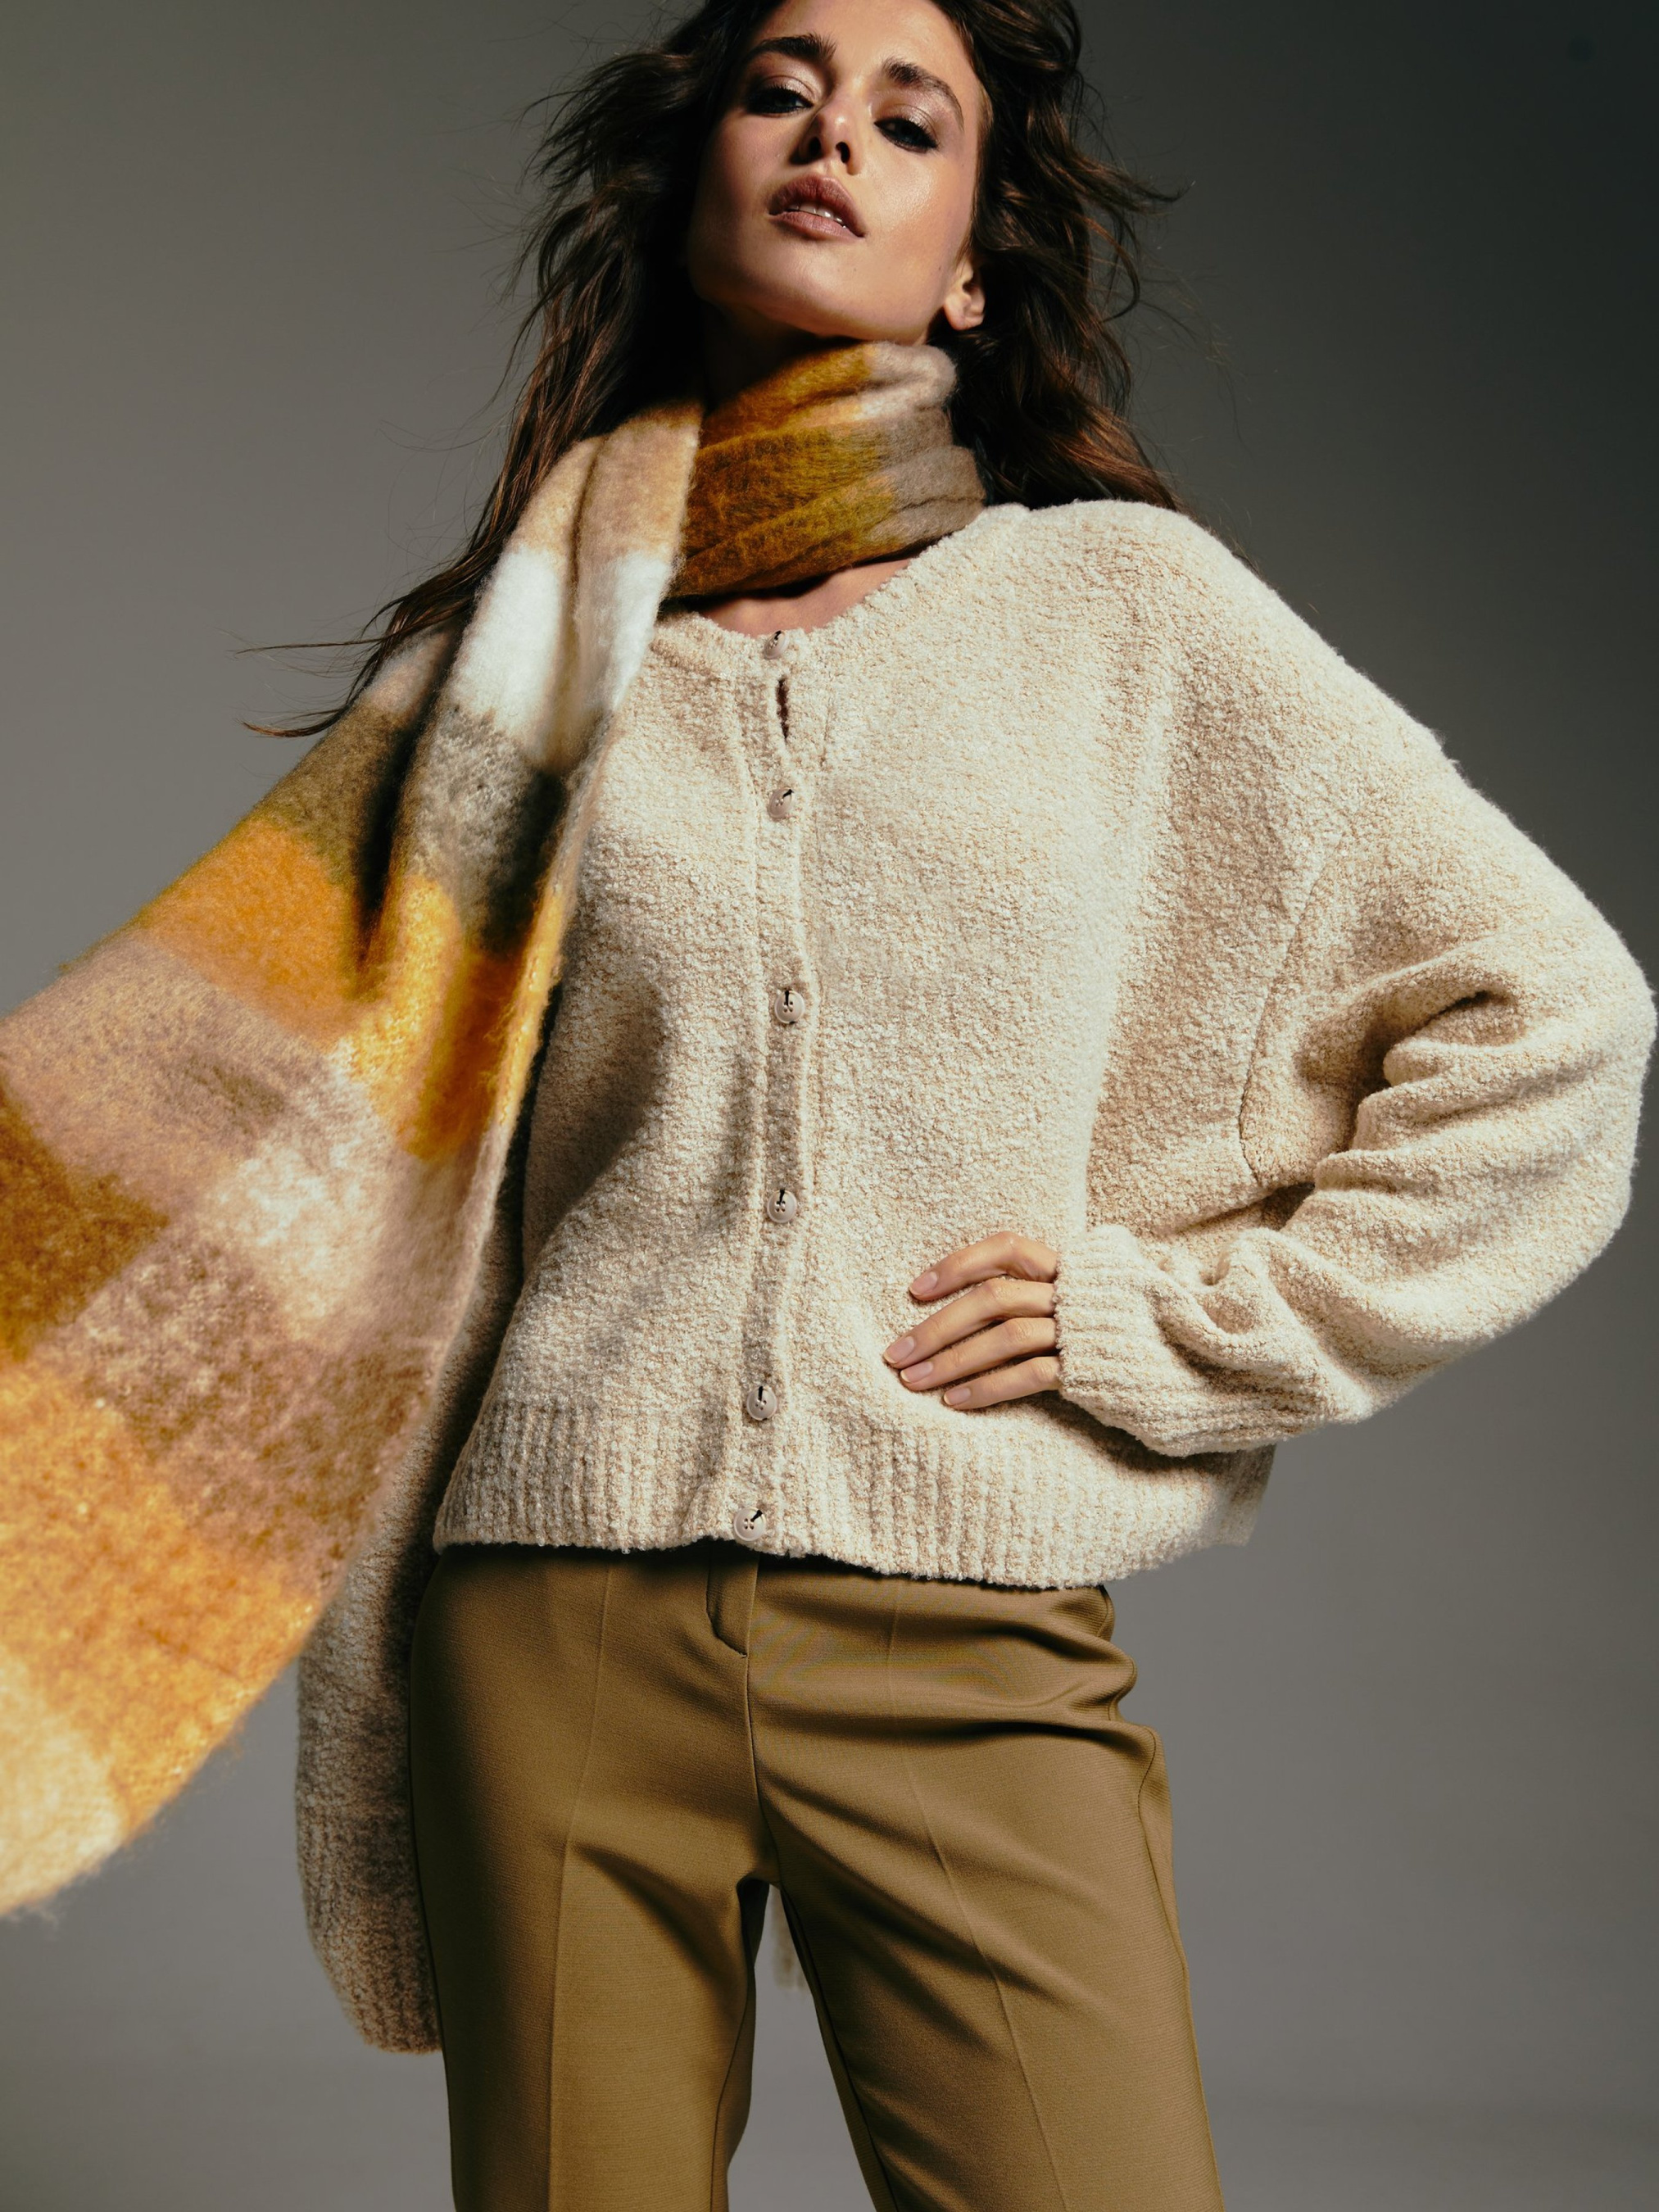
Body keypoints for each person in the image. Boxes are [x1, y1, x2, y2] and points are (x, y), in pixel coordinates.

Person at [0, 1, 1648, 2209]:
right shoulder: (522, 676)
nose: (832, 139)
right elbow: (303, 1148)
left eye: (906, 117)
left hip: (958, 1623)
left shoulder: (1122, 614)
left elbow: (1552, 1015)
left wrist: (1166, 1323)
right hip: (555, 1627)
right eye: (780, 91)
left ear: (972, 261)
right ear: (692, 179)